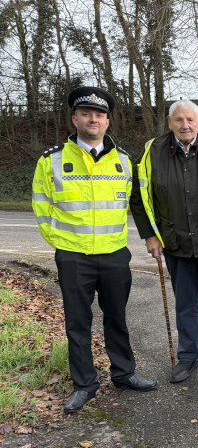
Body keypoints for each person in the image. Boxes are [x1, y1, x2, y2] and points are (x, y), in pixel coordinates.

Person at [32, 86, 157, 413]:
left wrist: (152, 236)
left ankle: (124, 373)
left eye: (99, 115)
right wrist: (61, 243)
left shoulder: (125, 162)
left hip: (115, 256)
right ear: (75, 119)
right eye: (86, 114)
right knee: (77, 322)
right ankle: (84, 384)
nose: (93, 119)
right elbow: (41, 206)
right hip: (74, 257)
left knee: (116, 318)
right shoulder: (53, 160)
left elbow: (138, 205)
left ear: (107, 123)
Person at [130, 99, 198, 383]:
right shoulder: (152, 151)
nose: (185, 125)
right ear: (169, 122)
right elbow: (139, 197)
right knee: (185, 303)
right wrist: (150, 236)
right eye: (179, 120)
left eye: (191, 120)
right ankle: (188, 356)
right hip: (175, 242)